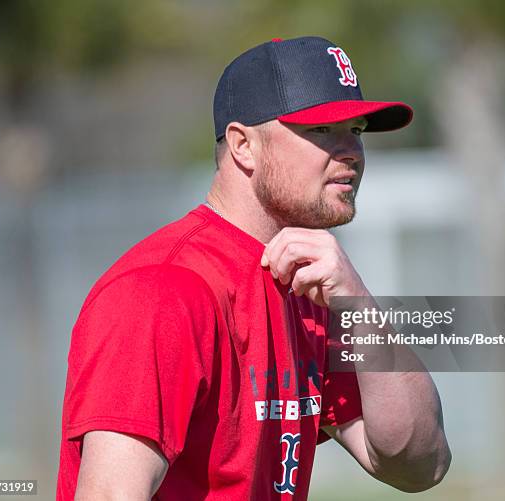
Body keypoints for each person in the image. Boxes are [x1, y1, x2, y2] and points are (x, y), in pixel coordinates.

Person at [56, 36, 451, 500]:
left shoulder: (308, 286)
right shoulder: (163, 292)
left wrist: (358, 304)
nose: (351, 152)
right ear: (243, 146)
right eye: (321, 131)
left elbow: (419, 464)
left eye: (357, 130)